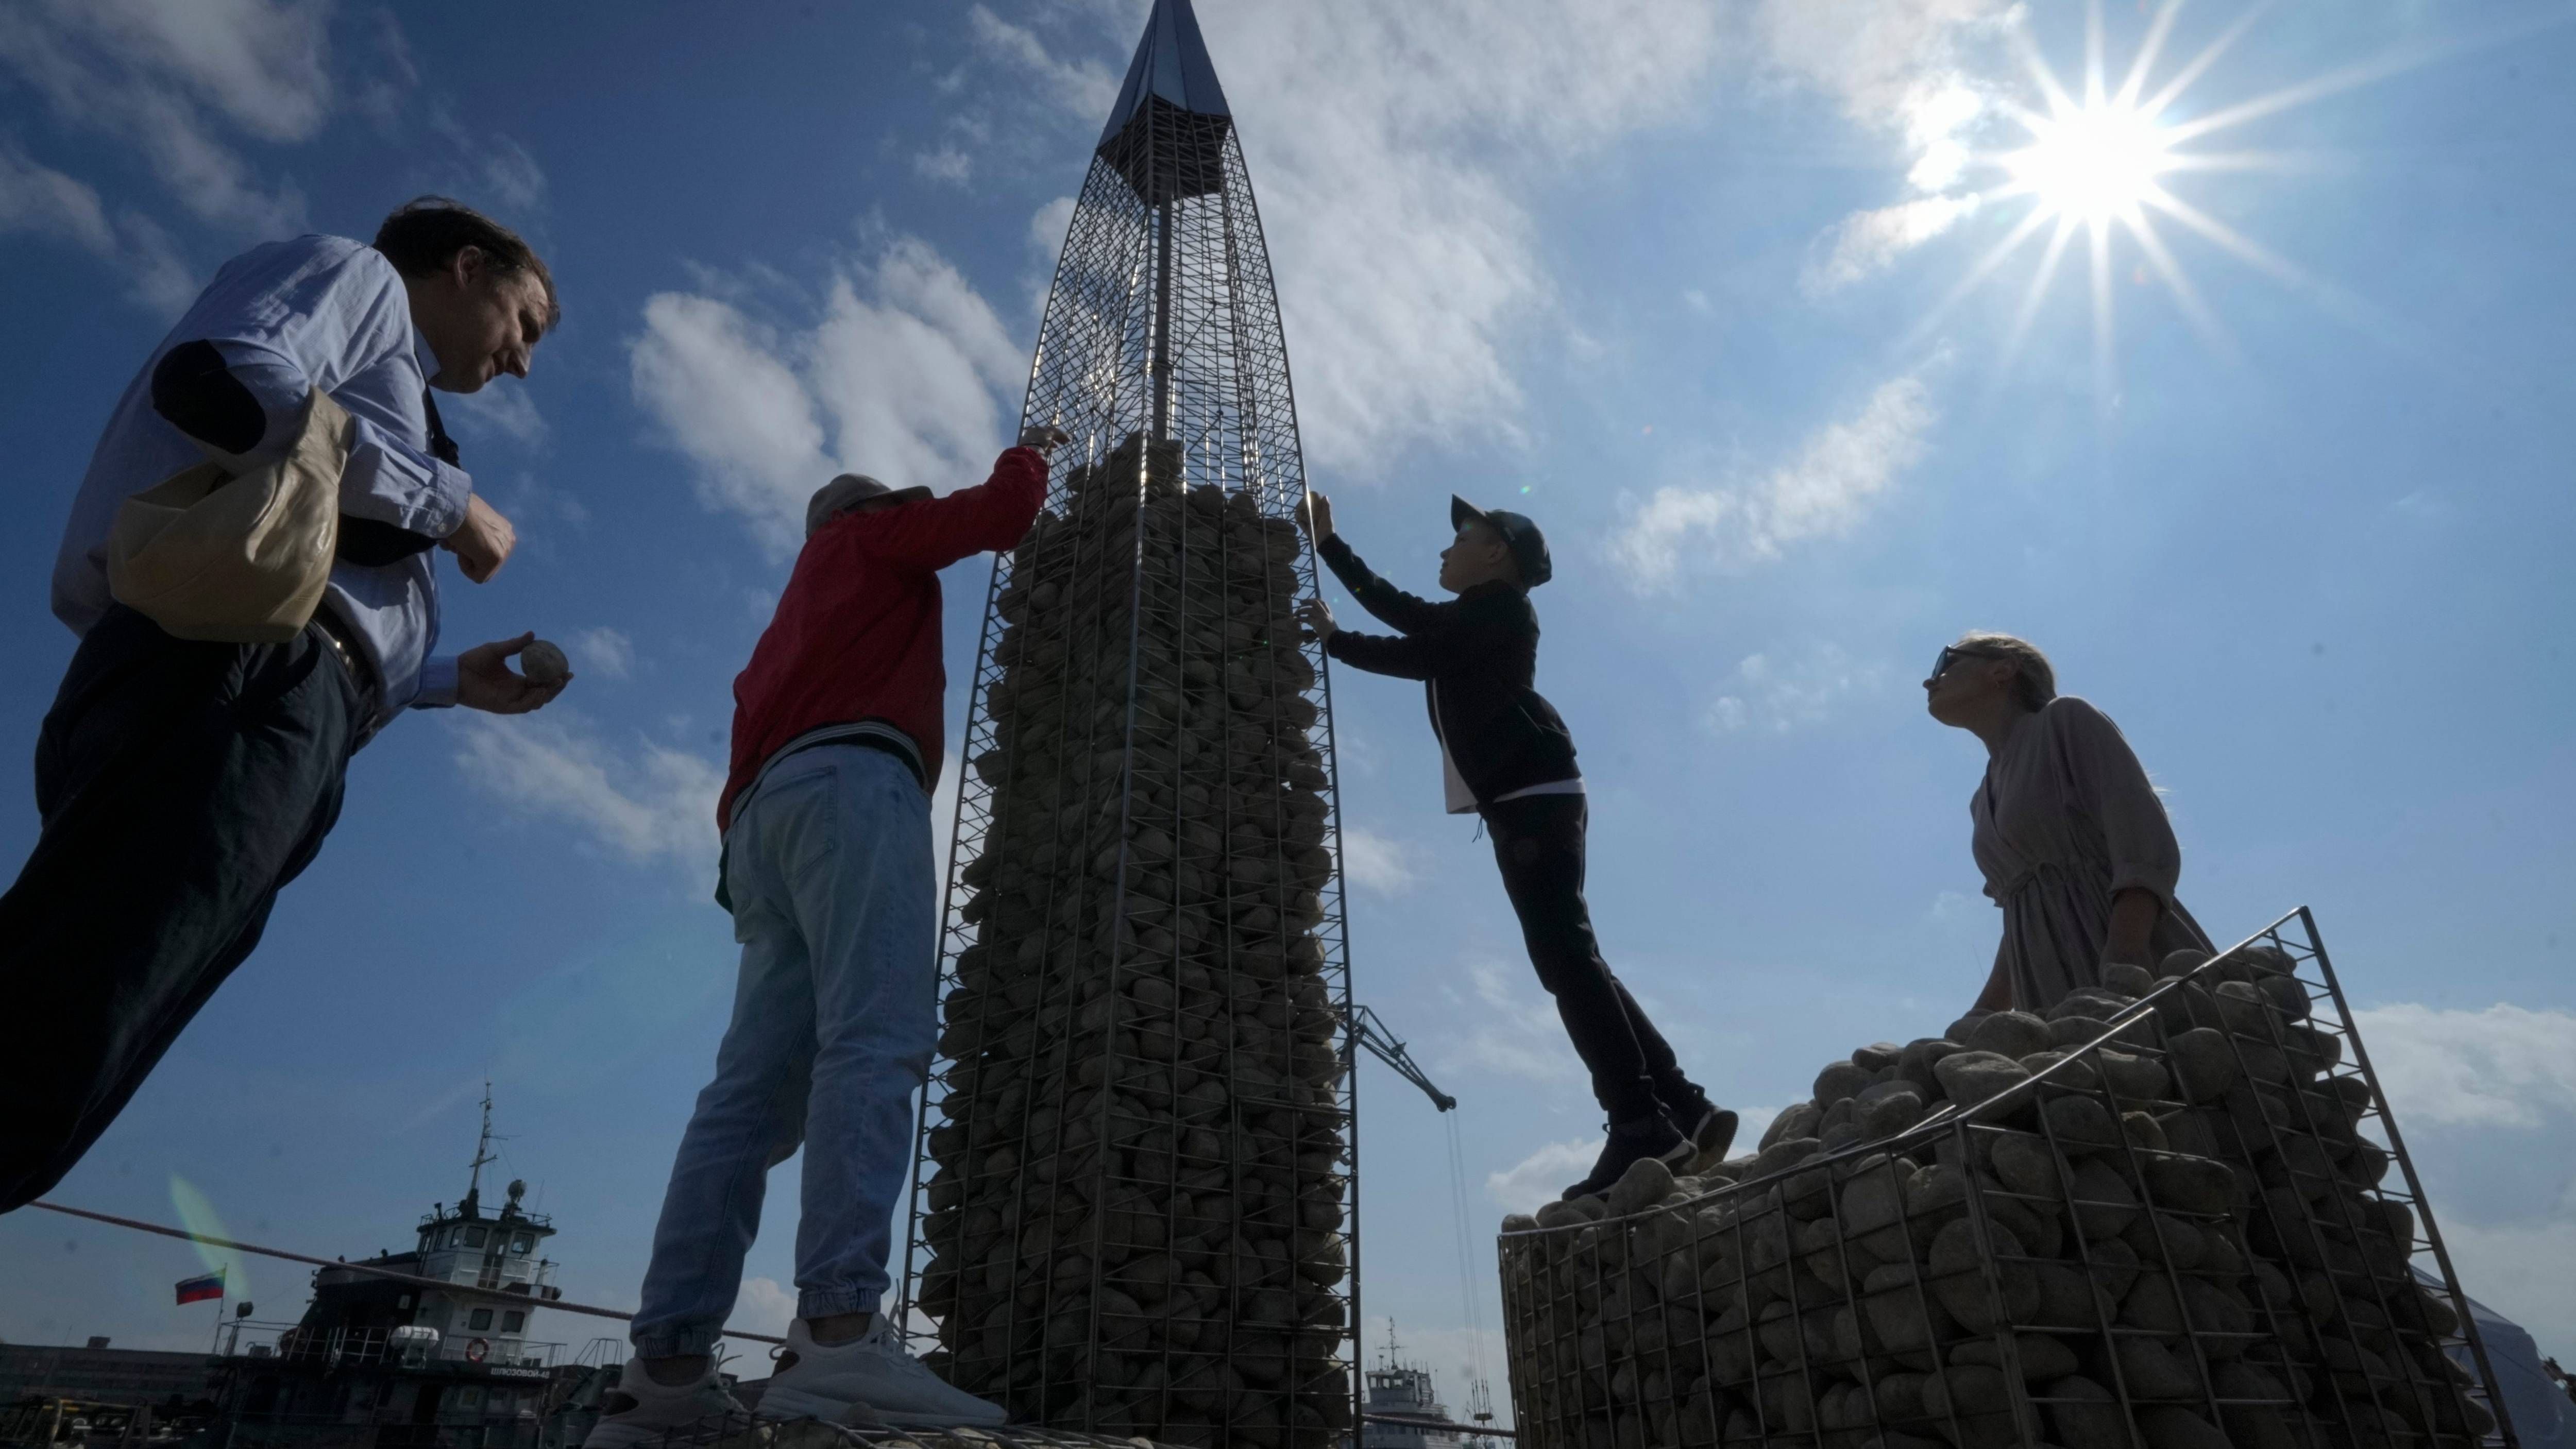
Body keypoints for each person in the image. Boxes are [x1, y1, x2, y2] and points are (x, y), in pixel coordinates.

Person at [0, 198, 569, 1213]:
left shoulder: (378, 362)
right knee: (66, 1020)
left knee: (90, 1024)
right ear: (467, 267)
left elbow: (303, 541)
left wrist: (442, 679)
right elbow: (221, 377)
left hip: (246, 685)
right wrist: (451, 505)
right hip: (235, 676)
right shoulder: (357, 276)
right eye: (525, 323)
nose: (523, 361)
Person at [585, 424, 1067, 1446]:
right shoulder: (864, 536)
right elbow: (1001, 516)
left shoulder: (784, 626)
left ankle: (663, 1373)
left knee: (747, 1099)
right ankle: (840, 1329)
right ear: (862, 509)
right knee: (874, 1038)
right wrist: (1030, 452)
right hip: (854, 786)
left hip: (761, 827)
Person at [1295, 491, 1735, 1202]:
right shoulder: (1480, 613)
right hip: (1529, 800)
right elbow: (1410, 621)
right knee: (1575, 958)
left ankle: (1639, 1122)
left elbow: (1416, 645)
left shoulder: (1500, 608)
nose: (1445, 549)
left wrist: (1335, 628)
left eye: (1460, 538)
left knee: (1566, 961)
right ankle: (1682, 1105)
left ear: (1496, 552)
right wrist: (1330, 559)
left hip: (1532, 798)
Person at [1921, 632, 2214, 1013]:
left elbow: (2144, 845)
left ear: (2003, 669)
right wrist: (1985, 1013)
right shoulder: (1980, 801)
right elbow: (2023, 913)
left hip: (2129, 956)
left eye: (1946, 662)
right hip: (2046, 991)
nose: (1930, 680)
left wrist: (2125, 953)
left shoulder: (2066, 721)